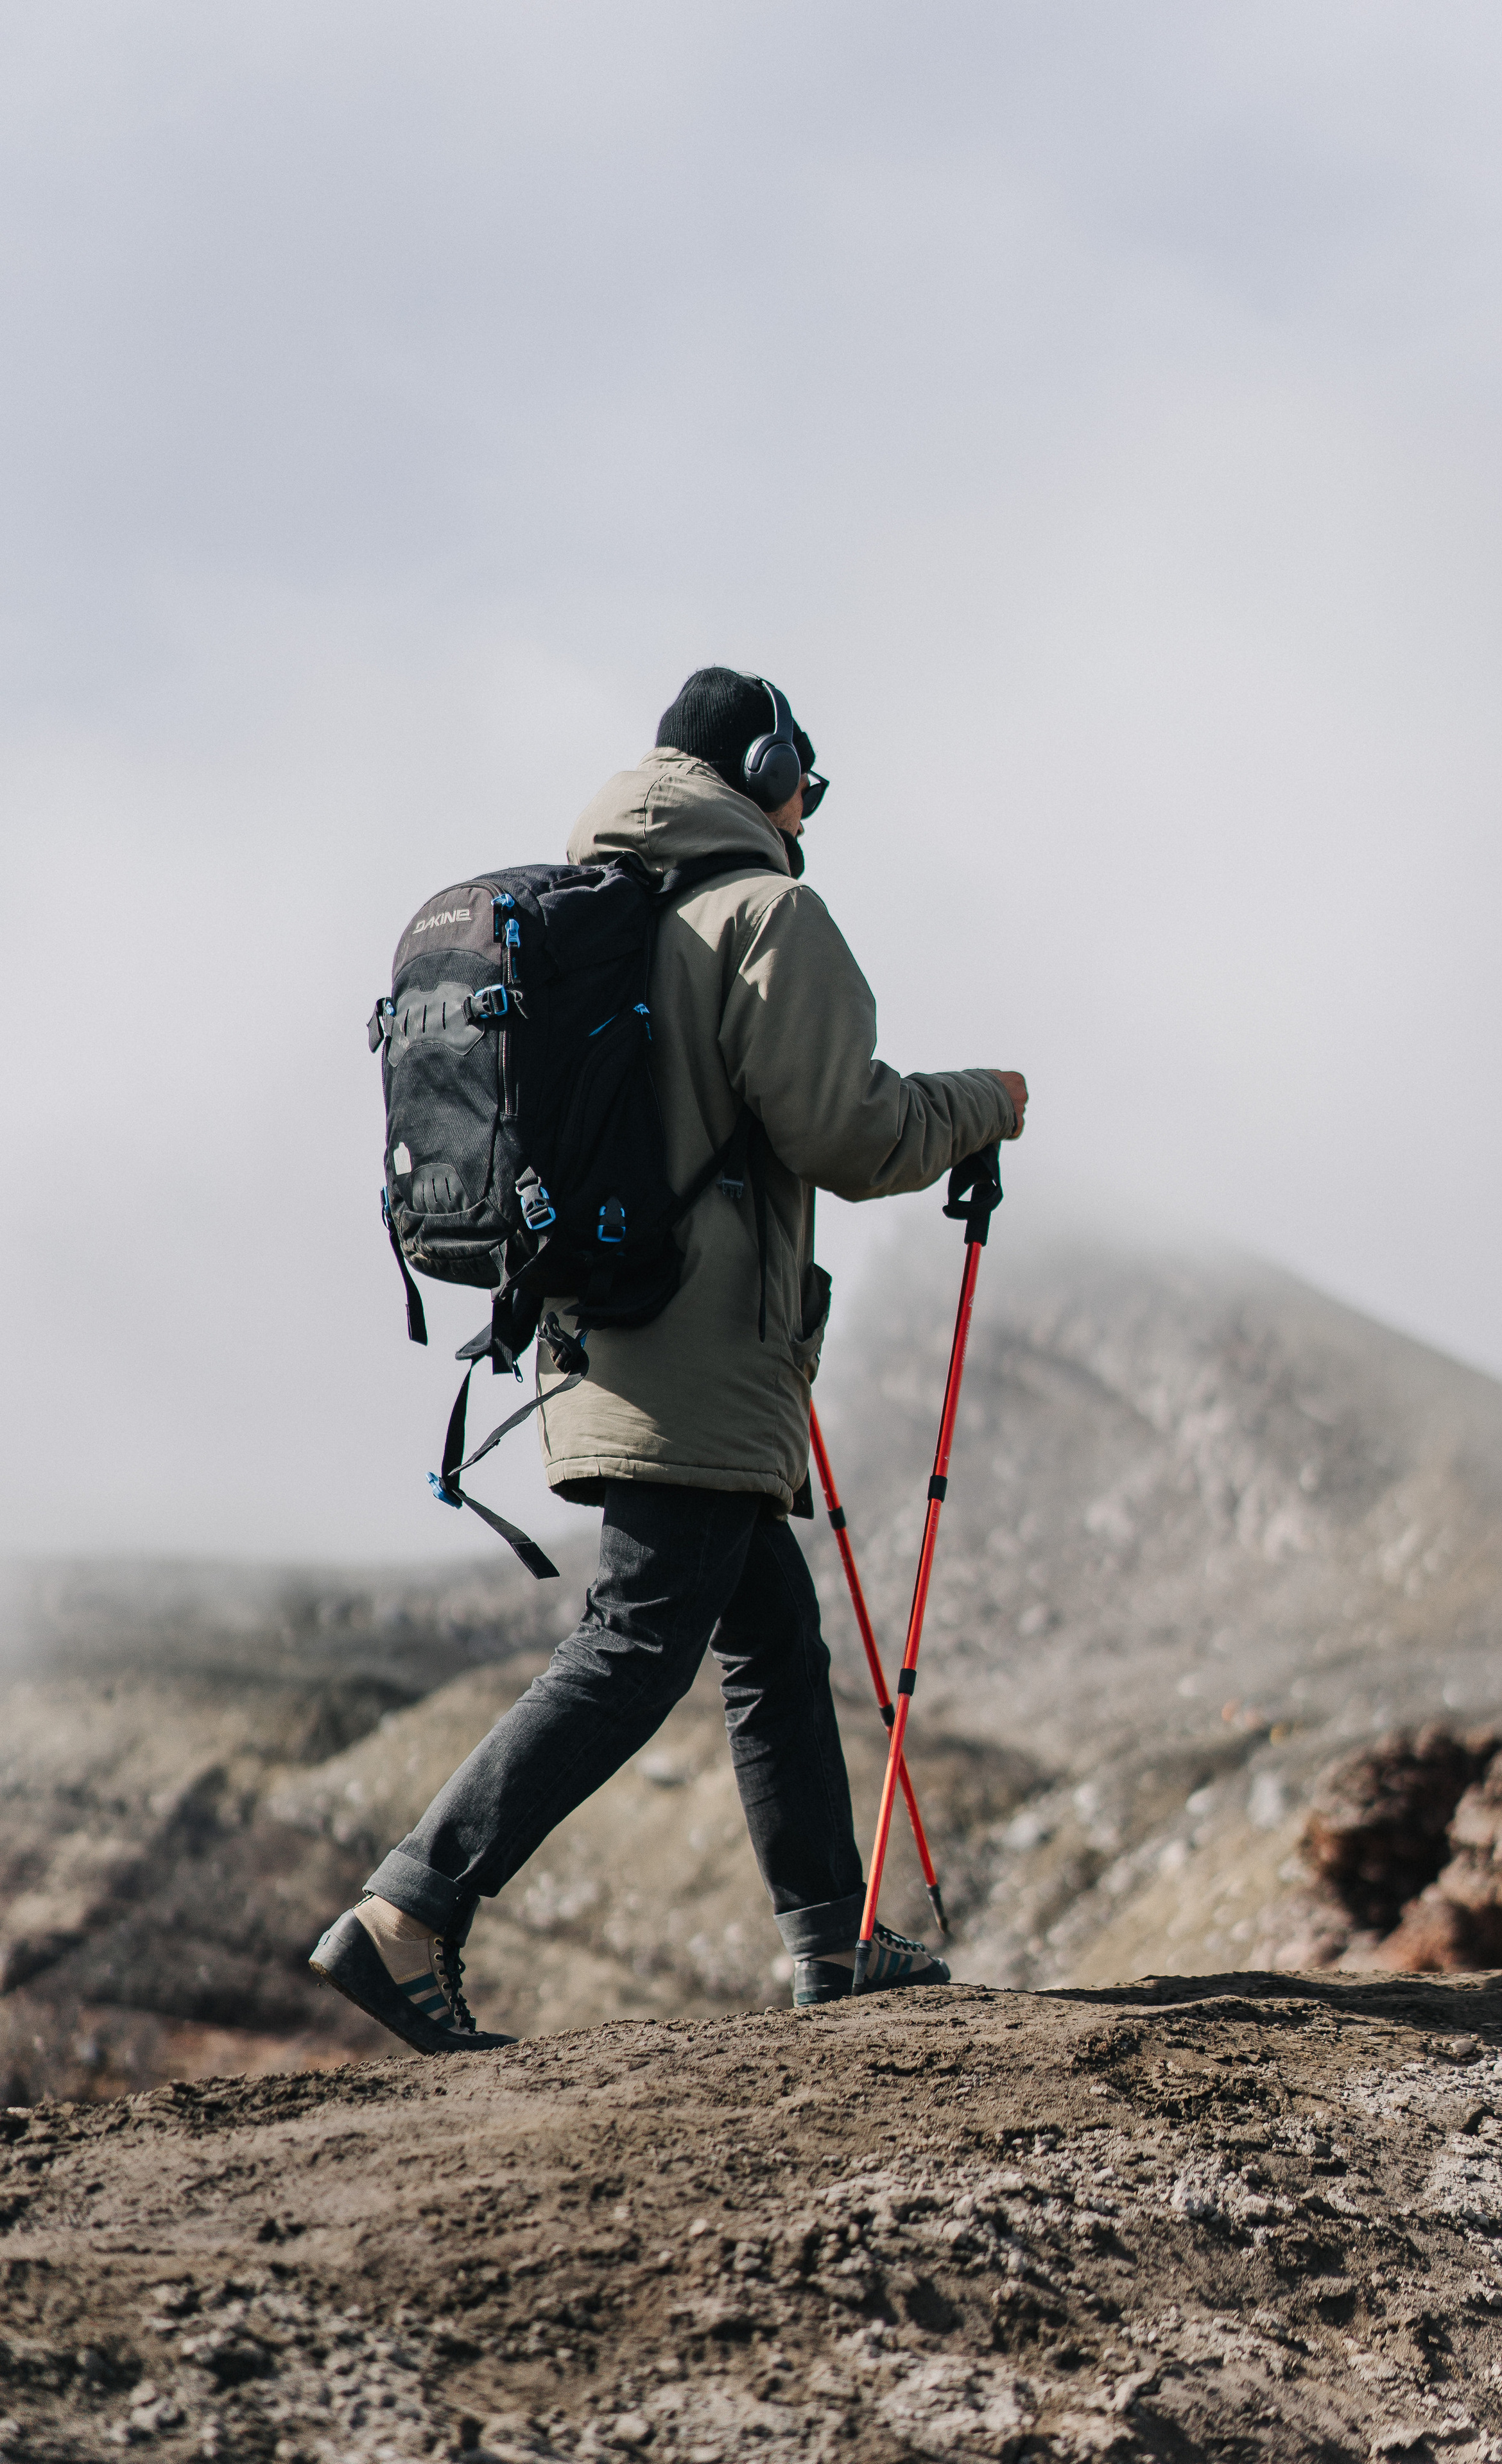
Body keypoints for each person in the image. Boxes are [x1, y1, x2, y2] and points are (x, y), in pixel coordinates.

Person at [311, 667, 1029, 2052]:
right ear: (764, 769)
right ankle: (404, 1917)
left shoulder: (606, 921)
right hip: (697, 1344)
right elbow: (846, 1132)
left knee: (766, 1625)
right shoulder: (768, 913)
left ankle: (829, 1942)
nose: (810, 810)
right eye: (806, 783)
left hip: (593, 1332)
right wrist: (977, 1107)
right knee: (637, 1645)